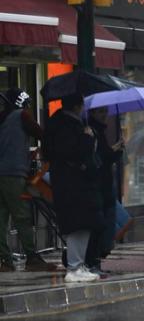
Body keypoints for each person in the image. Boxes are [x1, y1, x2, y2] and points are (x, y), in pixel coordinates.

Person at [43, 93, 101, 282]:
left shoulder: (55, 123)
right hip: (74, 183)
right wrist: (87, 138)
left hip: (67, 182)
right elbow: (75, 152)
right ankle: (75, 267)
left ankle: (78, 265)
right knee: (79, 224)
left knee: (81, 224)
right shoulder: (67, 126)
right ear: (77, 107)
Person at [0, 89, 56, 272]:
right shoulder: (22, 116)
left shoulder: (3, 118)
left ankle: (4, 260)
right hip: (13, 174)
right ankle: (32, 257)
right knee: (22, 216)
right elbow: (42, 134)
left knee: (1, 218)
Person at [85, 107, 124, 275]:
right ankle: (93, 261)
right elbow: (98, 158)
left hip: (105, 186)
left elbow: (105, 158)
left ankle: (96, 261)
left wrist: (117, 151)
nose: (104, 115)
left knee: (104, 226)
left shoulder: (99, 131)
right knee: (98, 226)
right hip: (98, 186)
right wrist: (114, 150)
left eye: (105, 111)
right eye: (100, 112)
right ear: (92, 113)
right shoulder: (91, 132)